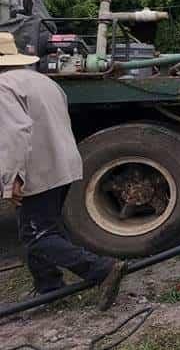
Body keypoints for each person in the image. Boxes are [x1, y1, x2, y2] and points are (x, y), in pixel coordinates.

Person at [0, 32, 125, 310]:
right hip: (63, 164)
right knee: (44, 228)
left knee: (38, 237)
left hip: (37, 171)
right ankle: (50, 288)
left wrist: (13, 178)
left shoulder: (2, 87)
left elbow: (14, 133)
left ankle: (102, 269)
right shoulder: (41, 80)